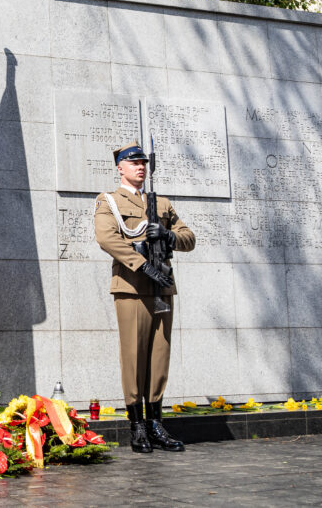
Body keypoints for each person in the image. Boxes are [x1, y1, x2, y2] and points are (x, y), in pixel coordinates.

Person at [94, 140, 195, 453]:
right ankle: (136, 425)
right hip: (132, 286)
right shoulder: (108, 200)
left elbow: (189, 238)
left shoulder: (161, 203)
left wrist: (167, 235)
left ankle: (155, 423)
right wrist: (142, 266)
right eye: (134, 163)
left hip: (162, 286)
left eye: (144, 163)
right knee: (134, 354)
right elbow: (107, 238)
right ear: (120, 167)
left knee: (159, 355)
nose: (140, 168)